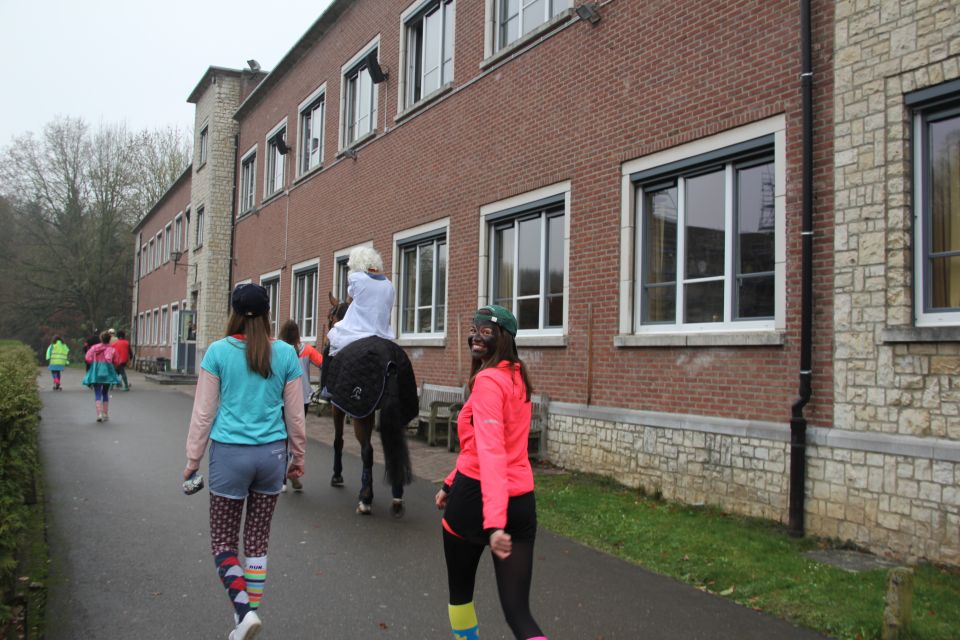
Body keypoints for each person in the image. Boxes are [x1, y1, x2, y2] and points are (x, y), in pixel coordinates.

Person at [182, 283, 306, 640]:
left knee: (223, 542)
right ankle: (247, 619)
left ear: (233, 313)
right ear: (267, 314)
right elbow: (296, 416)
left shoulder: (218, 352)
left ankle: (243, 613)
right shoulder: (285, 354)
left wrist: (192, 459)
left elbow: (203, 414)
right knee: (257, 540)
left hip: (230, 457)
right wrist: (298, 456)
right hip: (272, 457)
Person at [434, 305, 548, 640]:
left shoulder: (487, 381)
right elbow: (481, 447)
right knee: (519, 613)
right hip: (520, 502)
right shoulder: (517, 378)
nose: (476, 337)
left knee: (460, 594)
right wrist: (449, 483)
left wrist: (494, 522)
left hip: (478, 502)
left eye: (486, 332)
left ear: (504, 338)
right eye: (474, 330)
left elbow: (493, 452)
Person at [277, 319, 323, 493]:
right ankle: (294, 471)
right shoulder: (307, 350)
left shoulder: (278, 350)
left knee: (283, 438)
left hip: (281, 398)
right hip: (302, 398)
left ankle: (281, 479)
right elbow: (323, 363)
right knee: (296, 435)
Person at [325, 246, 395, 357]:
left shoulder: (356, 278)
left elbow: (349, 300)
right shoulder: (389, 284)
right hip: (383, 334)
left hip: (358, 332)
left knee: (329, 349)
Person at [82, 331, 120, 422]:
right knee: (105, 393)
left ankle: (99, 414)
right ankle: (105, 414)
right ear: (109, 339)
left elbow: (87, 358)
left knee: (97, 393)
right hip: (107, 372)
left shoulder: (94, 348)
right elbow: (116, 361)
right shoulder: (112, 349)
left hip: (96, 372)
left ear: (101, 339)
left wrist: (93, 362)